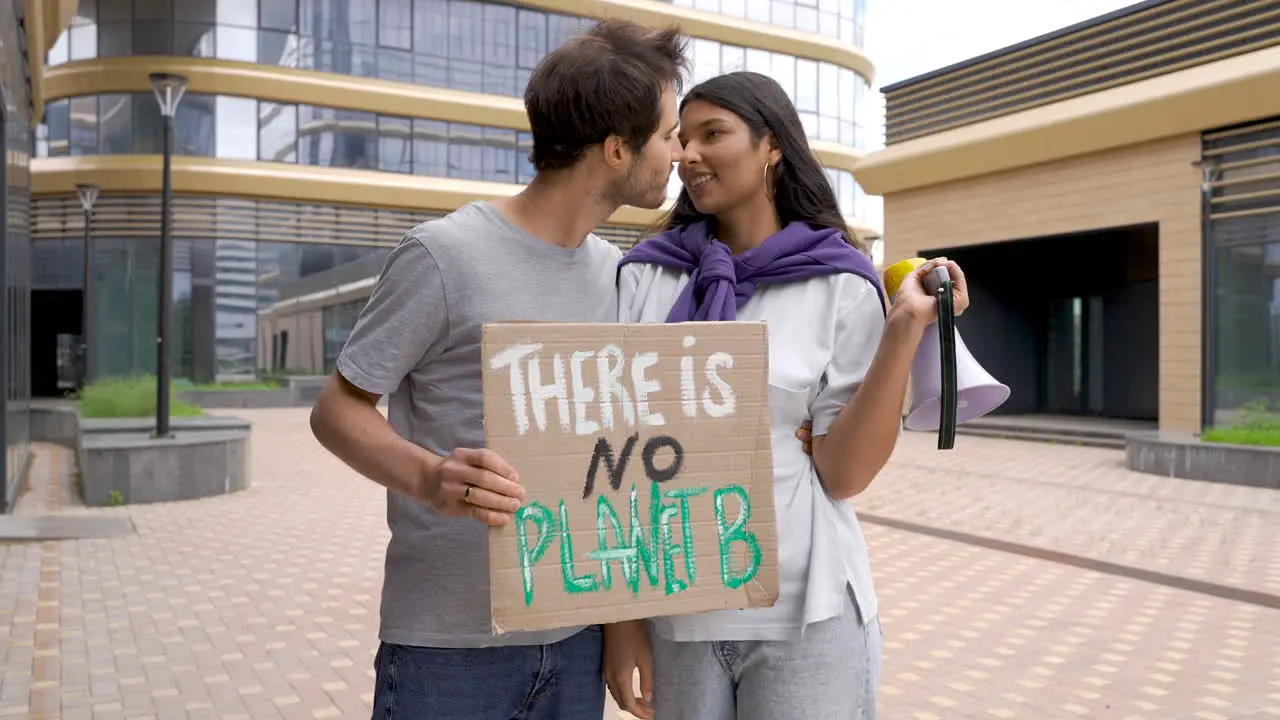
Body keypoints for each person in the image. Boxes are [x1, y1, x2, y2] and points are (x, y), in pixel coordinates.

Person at [308, 19, 690, 719]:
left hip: (574, 640)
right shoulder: (444, 255)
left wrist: (620, 626)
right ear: (615, 150)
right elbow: (336, 411)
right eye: (668, 134)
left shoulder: (618, 277)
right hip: (446, 647)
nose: (678, 152)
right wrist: (427, 476)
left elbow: (620, 465)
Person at [602, 71, 970, 720]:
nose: (688, 154)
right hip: (675, 615)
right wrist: (620, 622)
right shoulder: (645, 278)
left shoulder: (841, 284)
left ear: (771, 145)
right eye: (682, 139)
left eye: (713, 134)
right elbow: (611, 461)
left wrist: (905, 325)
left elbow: (844, 472)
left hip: (810, 617)